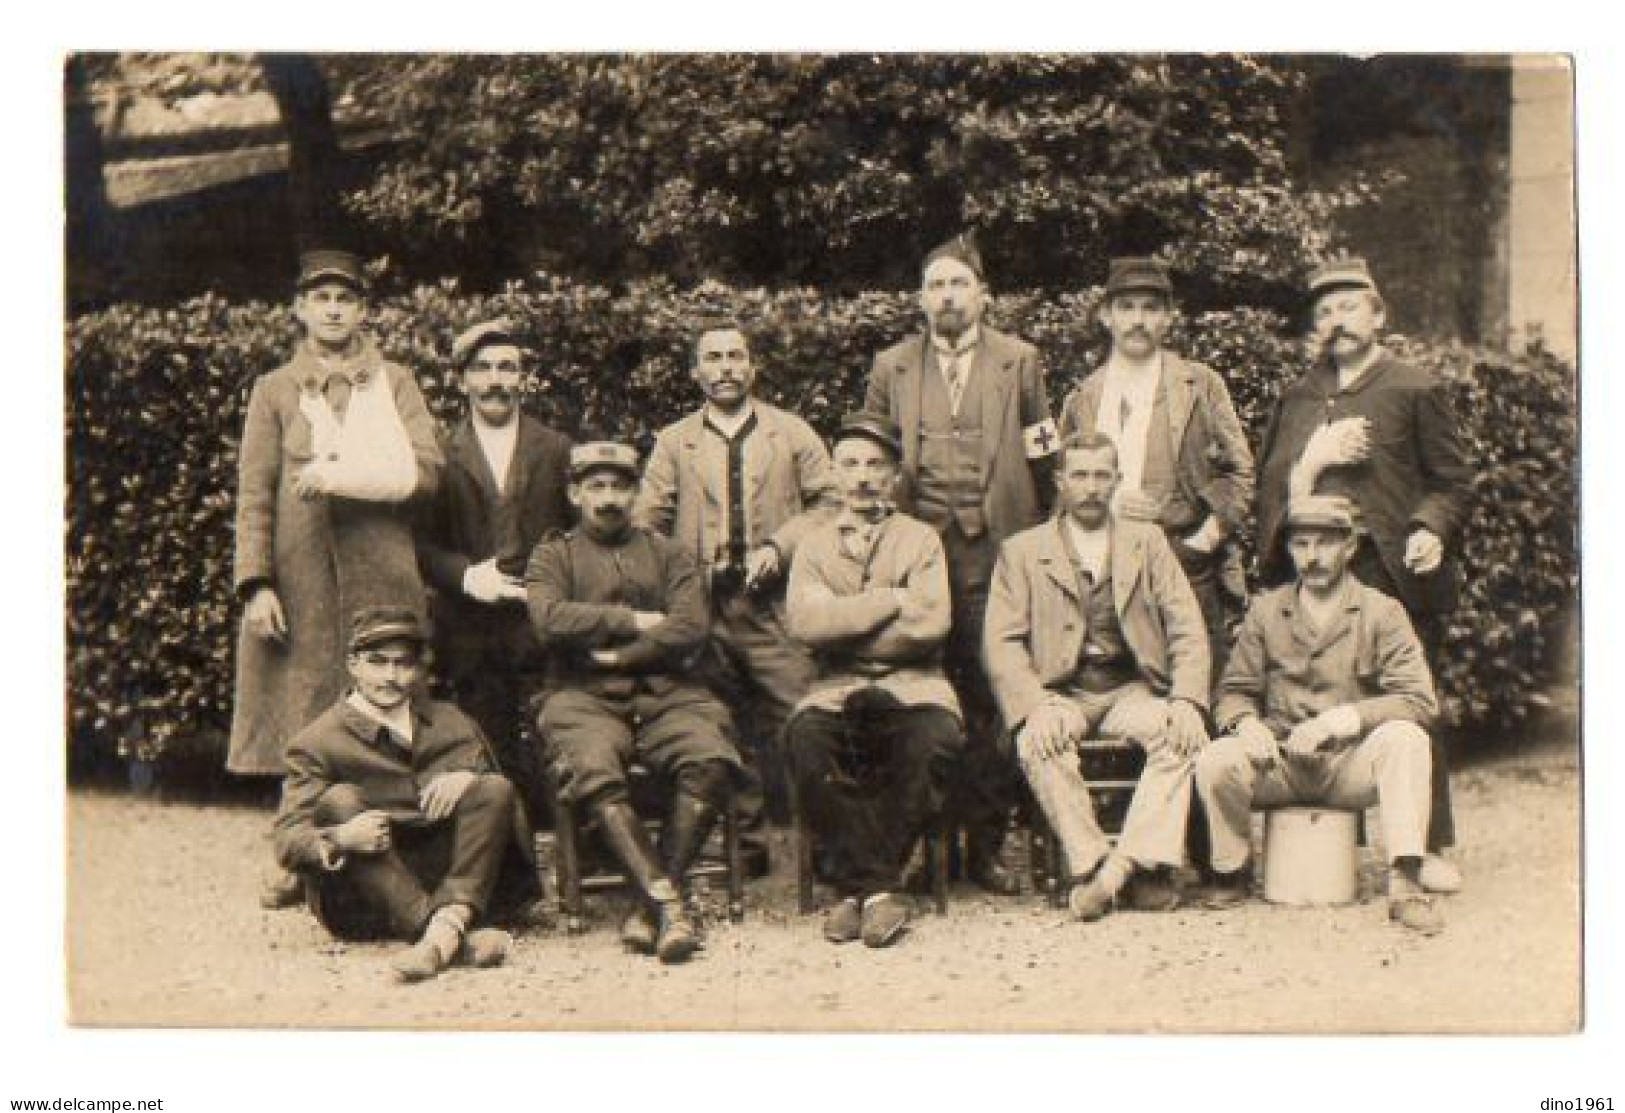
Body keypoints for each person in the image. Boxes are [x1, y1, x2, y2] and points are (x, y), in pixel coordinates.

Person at [232, 249, 443, 909]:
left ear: (362, 310)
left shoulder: (396, 382)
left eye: (344, 298)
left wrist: (356, 470)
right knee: (305, 715)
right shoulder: (274, 389)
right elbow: (255, 493)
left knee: (391, 704)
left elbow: (428, 470)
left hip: (381, 568)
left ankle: (401, 843)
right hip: (302, 580)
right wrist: (256, 582)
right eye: (319, 297)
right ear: (299, 308)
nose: (332, 309)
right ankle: (297, 854)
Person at [1255, 256, 1471, 893]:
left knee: (1407, 702)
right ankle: (1331, 833)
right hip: (1314, 566)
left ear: (1379, 315)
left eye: (1349, 307)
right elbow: (1271, 487)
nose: (1336, 321)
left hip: (1389, 570)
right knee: (1316, 694)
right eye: (1323, 312)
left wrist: (1430, 527)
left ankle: (1425, 845)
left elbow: (1452, 482)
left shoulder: (1413, 387)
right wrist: (1311, 461)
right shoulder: (1297, 396)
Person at [863, 233, 1061, 894]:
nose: (947, 296)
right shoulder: (890, 367)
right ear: (919, 301)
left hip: (998, 550)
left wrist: (1046, 537)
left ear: (982, 295)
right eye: (935, 286)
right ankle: (922, 842)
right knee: (920, 695)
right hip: (918, 558)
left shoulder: (1020, 362)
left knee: (994, 693)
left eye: (958, 284)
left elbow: (1043, 456)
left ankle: (984, 842)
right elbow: (868, 459)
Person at [526, 442, 742, 965]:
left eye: (619, 486)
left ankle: (650, 910)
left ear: (636, 492)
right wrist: (634, 621)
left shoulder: (669, 554)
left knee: (709, 757)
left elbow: (690, 626)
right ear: (575, 493)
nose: (608, 498)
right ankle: (669, 903)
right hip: (581, 697)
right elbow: (550, 619)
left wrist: (614, 657)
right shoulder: (553, 555)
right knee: (591, 765)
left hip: (670, 694)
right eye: (595, 487)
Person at [635, 319, 839, 871]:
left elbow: (830, 503)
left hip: (773, 605)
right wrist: (685, 575)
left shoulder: (791, 433)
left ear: (752, 367)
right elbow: (647, 523)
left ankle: (815, 843)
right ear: (696, 372)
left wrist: (781, 545)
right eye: (713, 358)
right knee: (715, 716)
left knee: (800, 712)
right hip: (703, 608)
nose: (725, 368)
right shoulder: (674, 442)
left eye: (735, 357)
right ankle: (744, 843)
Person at [984, 431, 1211, 920]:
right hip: (1059, 691)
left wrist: (1189, 701)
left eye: (1102, 475)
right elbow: (1002, 645)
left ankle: (1123, 870)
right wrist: (1033, 706)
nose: (1091, 487)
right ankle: (1090, 864)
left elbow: (1187, 627)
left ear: (1117, 481)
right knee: (1037, 742)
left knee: (1180, 738)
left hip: (1130, 689)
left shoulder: (1147, 543)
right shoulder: (1022, 551)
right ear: (1060, 482)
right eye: (1080, 475)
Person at [1195, 495, 1445, 935]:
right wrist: (1246, 724)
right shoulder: (1266, 611)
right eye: (1301, 544)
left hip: (1347, 765)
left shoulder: (1381, 611)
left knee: (1407, 740)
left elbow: (1420, 700)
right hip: (1280, 763)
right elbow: (1233, 691)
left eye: (1325, 544)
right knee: (1217, 759)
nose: (1312, 557)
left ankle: (1405, 880)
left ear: (1350, 547)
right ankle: (1230, 870)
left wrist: (1342, 720)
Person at [273, 607, 543, 983]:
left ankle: (442, 933)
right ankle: (444, 936)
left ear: (417, 669)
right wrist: (340, 837)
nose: (390, 676)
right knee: (340, 801)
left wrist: (468, 777)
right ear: (353, 664)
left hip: (456, 884)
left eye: (402, 664)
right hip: (367, 898)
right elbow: (286, 842)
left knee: (493, 787)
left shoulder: (451, 720)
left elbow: (499, 808)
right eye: (377, 662)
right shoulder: (317, 742)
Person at [783, 412, 964, 948]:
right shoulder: (813, 546)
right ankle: (877, 889)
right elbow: (806, 626)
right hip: (833, 687)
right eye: (851, 465)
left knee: (933, 740)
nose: (862, 477)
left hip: (915, 683)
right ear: (835, 474)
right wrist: (890, 600)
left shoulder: (921, 540)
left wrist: (845, 624)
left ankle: (857, 892)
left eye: (875, 466)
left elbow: (930, 626)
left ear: (894, 478)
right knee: (806, 741)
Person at [1057, 257, 1254, 668]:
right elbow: (1060, 486)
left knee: (1195, 685)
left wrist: (1205, 540)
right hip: (1104, 567)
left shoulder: (1200, 385)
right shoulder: (1083, 396)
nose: (1138, 320)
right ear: (1107, 317)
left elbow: (1239, 471)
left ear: (1167, 319)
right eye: (1126, 307)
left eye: (1150, 308)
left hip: (1184, 561)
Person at [416, 318, 574, 826]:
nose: (495, 381)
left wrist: (551, 590)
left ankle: (563, 827)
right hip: (466, 624)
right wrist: (464, 577)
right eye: (482, 369)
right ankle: (503, 835)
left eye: (507, 368)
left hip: (540, 621)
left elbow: (578, 537)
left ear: (523, 378)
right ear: (462, 380)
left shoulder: (556, 449)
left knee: (557, 726)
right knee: (483, 733)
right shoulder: (438, 453)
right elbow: (418, 542)